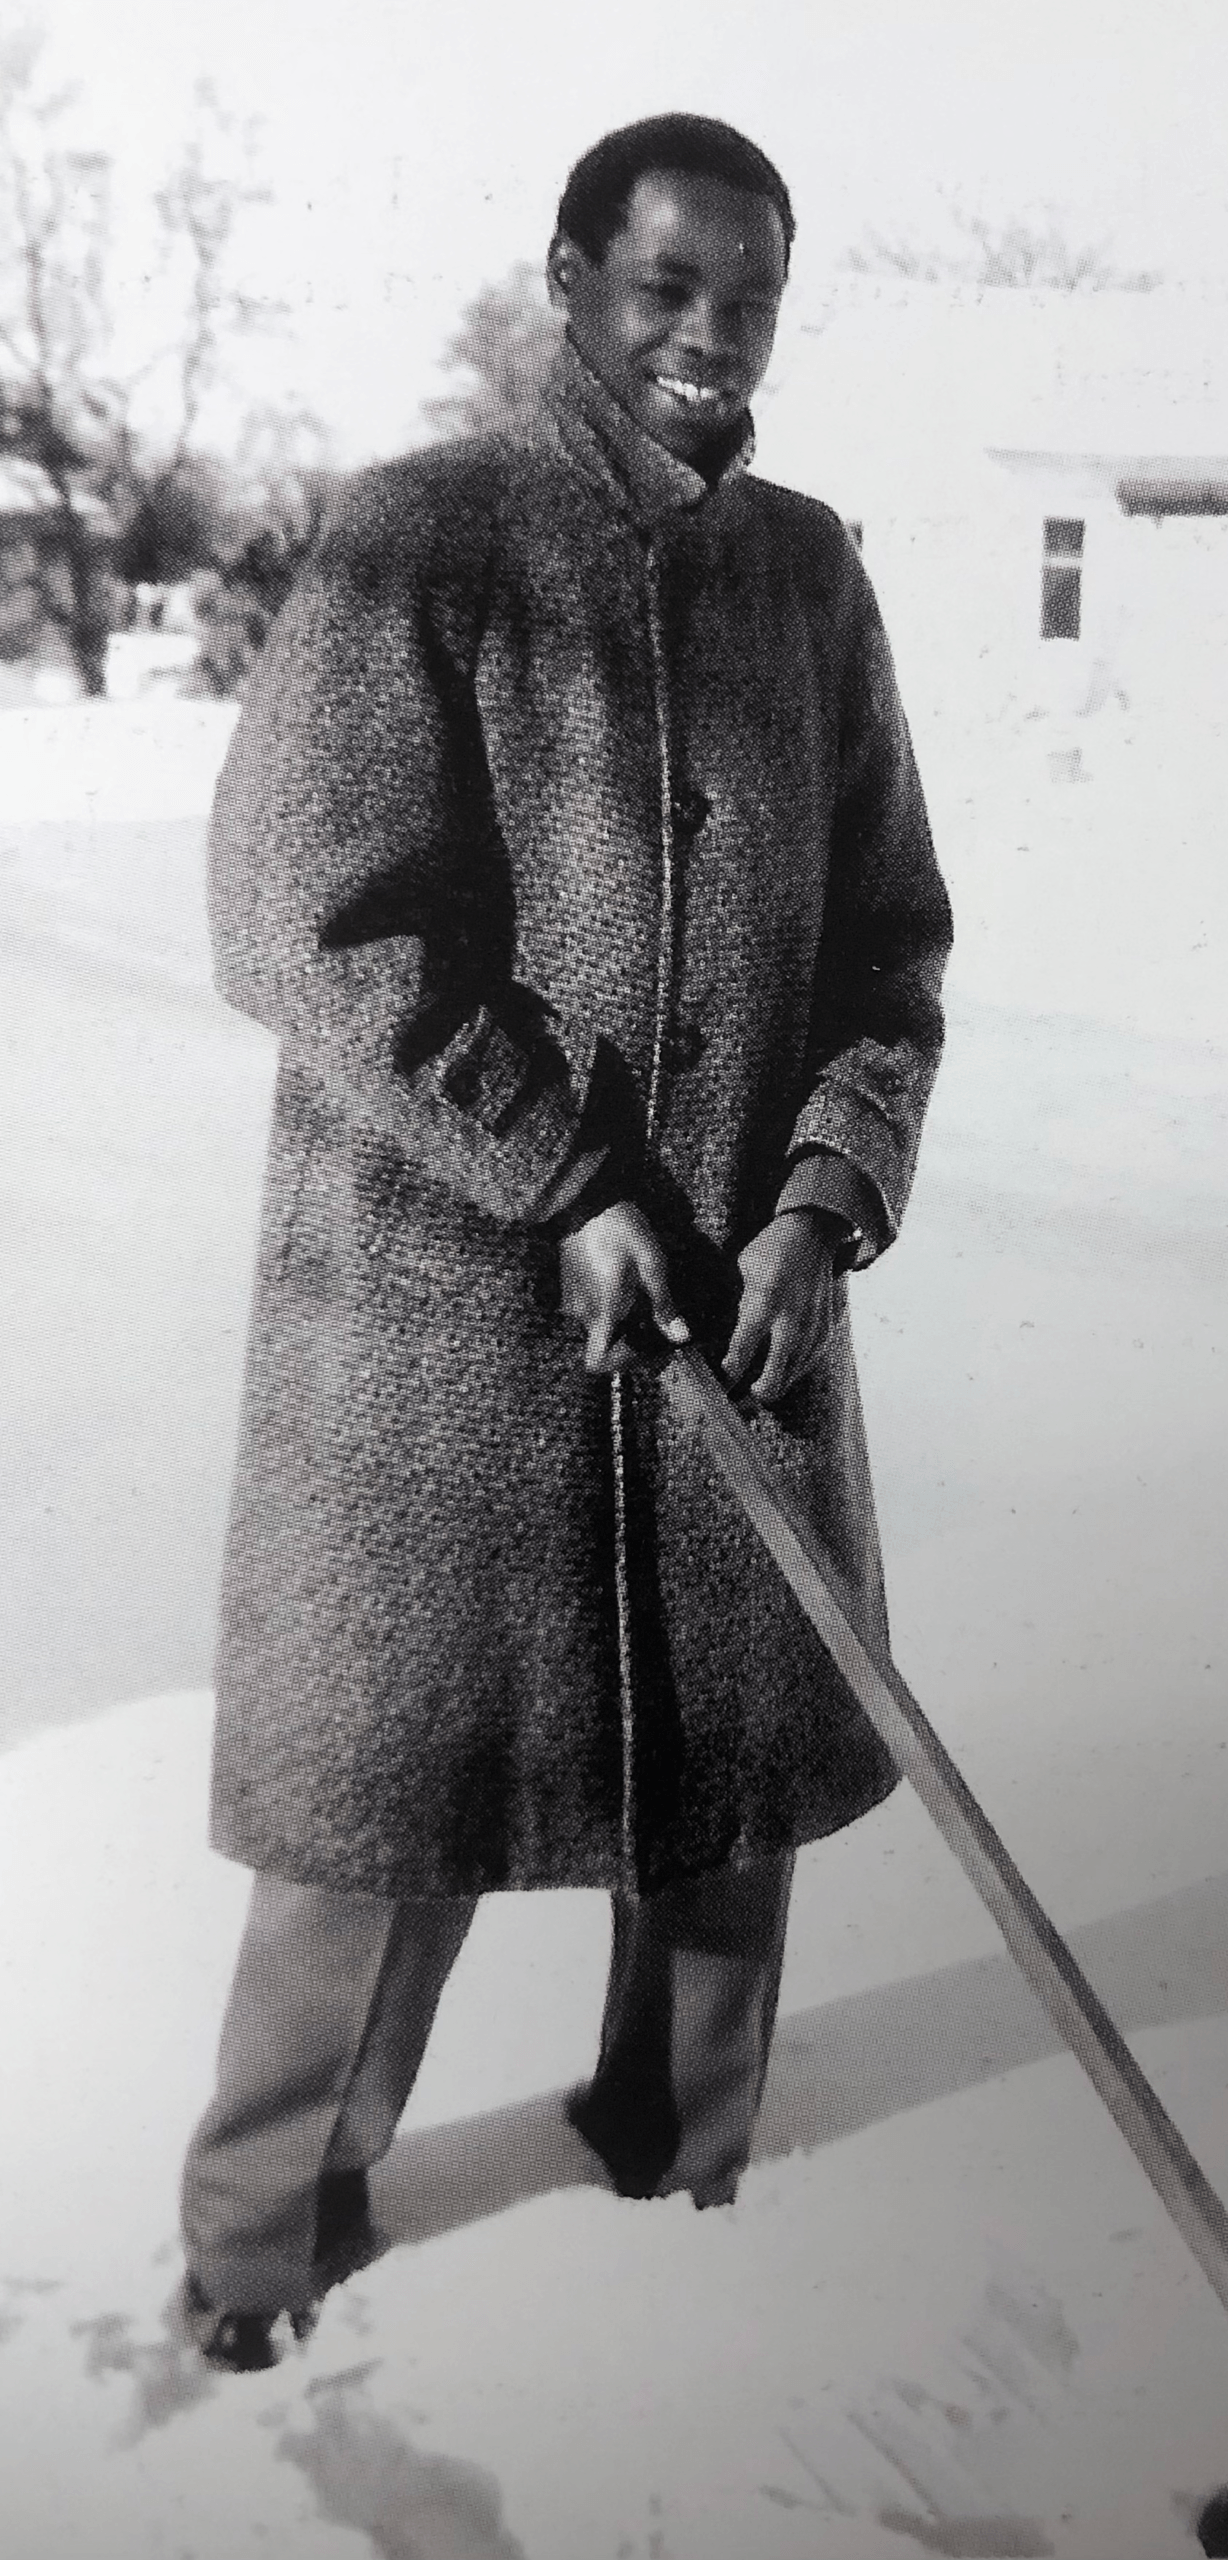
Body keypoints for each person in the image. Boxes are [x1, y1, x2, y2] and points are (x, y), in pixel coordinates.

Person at [173, 112, 952, 2372]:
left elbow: (888, 949)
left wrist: (824, 1195)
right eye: (669, 286)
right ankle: (257, 2251)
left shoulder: (812, 580)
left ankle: (688, 2164)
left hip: (736, 1302)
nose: (715, 340)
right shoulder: (422, 541)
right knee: (384, 1803)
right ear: (570, 279)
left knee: (727, 1789)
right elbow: (311, 917)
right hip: (439, 1322)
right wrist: (562, 1172)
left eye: (755, 296)